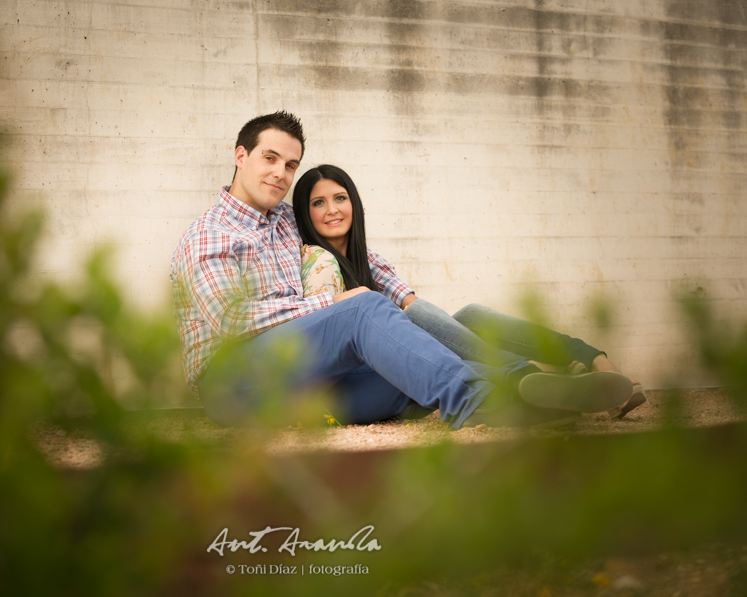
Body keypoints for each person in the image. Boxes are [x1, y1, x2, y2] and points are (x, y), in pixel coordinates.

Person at [169, 112, 633, 431]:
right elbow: (232, 321)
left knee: (408, 371)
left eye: (290, 165)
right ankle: (476, 402)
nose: (281, 173)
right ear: (240, 156)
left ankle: (528, 398)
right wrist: (334, 302)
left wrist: (400, 298)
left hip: (304, 386)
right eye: (270, 158)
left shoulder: (287, 222)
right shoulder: (212, 234)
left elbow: (357, 256)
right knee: (362, 309)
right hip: (238, 382)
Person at [291, 164, 646, 419]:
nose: (332, 209)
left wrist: (431, 331)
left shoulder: (366, 259)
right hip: (363, 381)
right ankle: (533, 374)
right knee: (422, 321)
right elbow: (322, 343)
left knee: (466, 315)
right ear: (304, 215)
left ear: (354, 203)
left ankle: (584, 359)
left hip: (405, 360)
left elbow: (412, 303)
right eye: (318, 202)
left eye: (339, 197)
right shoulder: (314, 261)